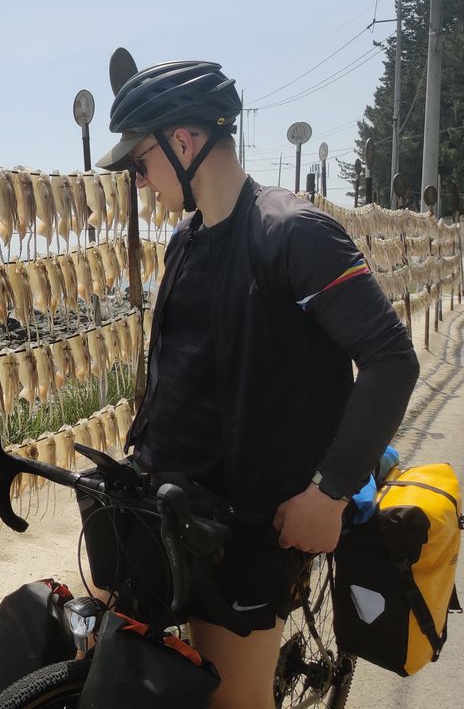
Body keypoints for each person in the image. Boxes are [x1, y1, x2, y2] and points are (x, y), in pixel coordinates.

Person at [90, 59, 420, 709]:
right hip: (171, 508)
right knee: (117, 663)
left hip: (249, 528)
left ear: (184, 143)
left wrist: (329, 495)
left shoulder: (292, 234)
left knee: (231, 700)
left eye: (140, 162)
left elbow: (391, 360)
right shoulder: (185, 242)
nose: (139, 180)